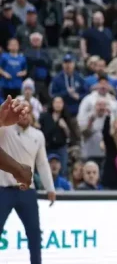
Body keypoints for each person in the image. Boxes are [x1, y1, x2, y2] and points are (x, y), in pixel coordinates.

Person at [0, 99, 55, 264]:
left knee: (34, 234)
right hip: (4, 190)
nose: (24, 114)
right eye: (20, 111)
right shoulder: (4, 129)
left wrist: (50, 188)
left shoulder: (38, 135)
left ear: (32, 114)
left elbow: (43, 164)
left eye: (27, 111)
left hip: (27, 191)